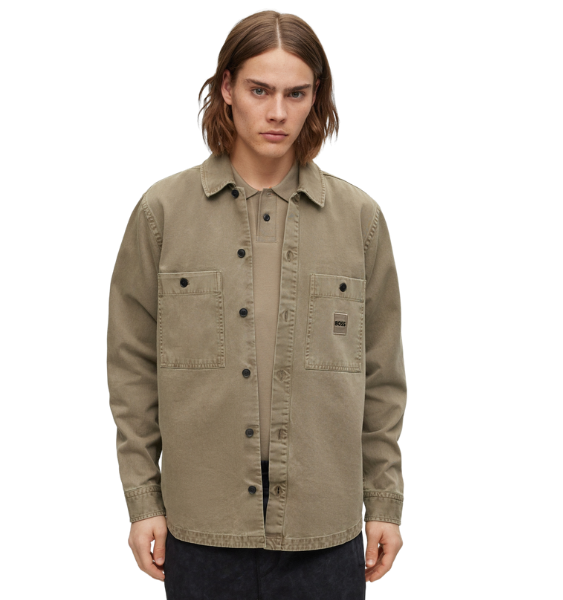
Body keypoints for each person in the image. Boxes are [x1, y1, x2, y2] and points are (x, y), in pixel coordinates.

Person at [107, 8, 407, 598]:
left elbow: (382, 378)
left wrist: (384, 503)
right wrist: (143, 500)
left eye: (296, 93)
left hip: (326, 527)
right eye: (259, 90)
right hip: (200, 523)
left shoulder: (361, 220)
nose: (277, 113)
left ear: (316, 97)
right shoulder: (161, 213)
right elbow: (131, 368)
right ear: (227, 89)